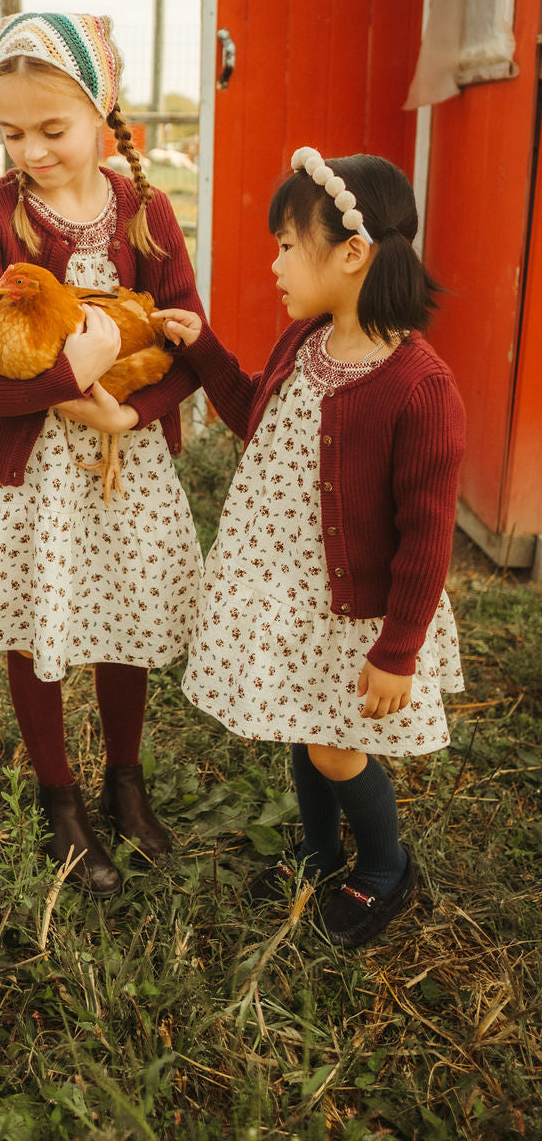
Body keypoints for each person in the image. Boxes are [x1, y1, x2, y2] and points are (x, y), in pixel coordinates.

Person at [155, 148, 465, 948]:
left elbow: (428, 537)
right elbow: (251, 414)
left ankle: (385, 867)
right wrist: (204, 349)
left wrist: (398, 651)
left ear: (353, 254)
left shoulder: (418, 386)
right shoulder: (308, 344)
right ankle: (320, 852)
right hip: (289, 591)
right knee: (304, 725)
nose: (276, 261)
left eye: (289, 245)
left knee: (334, 746)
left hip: (354, 612)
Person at [0, 12, 205, 896]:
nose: (30, 150)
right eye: (10, 131)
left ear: (104, 111)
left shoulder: (148, 210)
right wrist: (67, 376)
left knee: (123, 614)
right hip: (34, 476)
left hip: (123, 461)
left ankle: (125, 781)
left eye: (52, 129)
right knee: (38, 623)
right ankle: (61, 800)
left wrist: (132, 417)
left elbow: (188, 345)